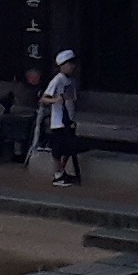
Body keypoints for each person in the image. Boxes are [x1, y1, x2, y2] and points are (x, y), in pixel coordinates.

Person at [41, 49, 83, 185]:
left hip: (68, 121)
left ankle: (61, 172)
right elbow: (44, 99)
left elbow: (72, 100)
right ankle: (57, 174)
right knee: (58, 150)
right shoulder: (57, 80)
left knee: (69, 148)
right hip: (59, 122)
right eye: (69, 64)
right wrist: (55, 100)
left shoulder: (71, 81)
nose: (72, 67)